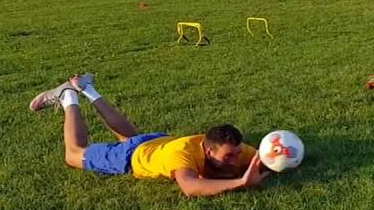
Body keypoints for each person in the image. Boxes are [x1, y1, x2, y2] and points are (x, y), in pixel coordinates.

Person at [29, 74, 268, 198]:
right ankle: (68, 95)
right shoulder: (183, 157)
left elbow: (266, 155)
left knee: (130, 137)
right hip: (133, 156)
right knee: (74, 154)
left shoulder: (234, 147)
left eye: (237, 154)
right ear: (208, 150)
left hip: (157, 143)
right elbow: (190, 186)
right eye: (228, 157)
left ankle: (88, 88)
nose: (236, 160)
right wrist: (240, 182)